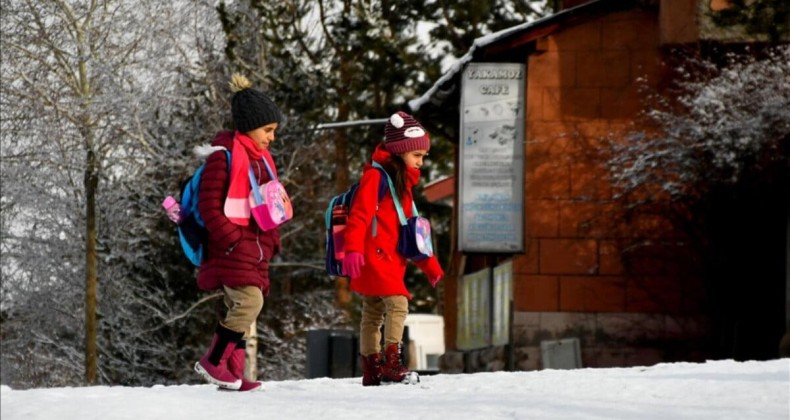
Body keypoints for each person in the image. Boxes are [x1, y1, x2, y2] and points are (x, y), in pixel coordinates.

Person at [193, 74, 283, 392]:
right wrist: (232, 240)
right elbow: (209, 208)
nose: (271, 138)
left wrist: (271, 243)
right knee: (249, 303)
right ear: (249, 126)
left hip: (254, 251)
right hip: (233, 249)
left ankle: (232, 373)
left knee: (243, 309)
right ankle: (213, 361)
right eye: (267, 130)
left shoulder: (262, 162)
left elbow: (267, 210)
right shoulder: (224, 157)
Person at [342, 111, 445, 386]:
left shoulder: (402, 185)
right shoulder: (376, 179)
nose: (421, 163)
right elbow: (360, 215)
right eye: (417, 156)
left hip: (389, 258)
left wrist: (431, 267)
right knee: (398, 302)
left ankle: (371, 368)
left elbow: (413, 233)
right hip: (374, 256)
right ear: (401, 152)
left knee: (373, 310)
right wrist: (352, 249)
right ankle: (392, 363)